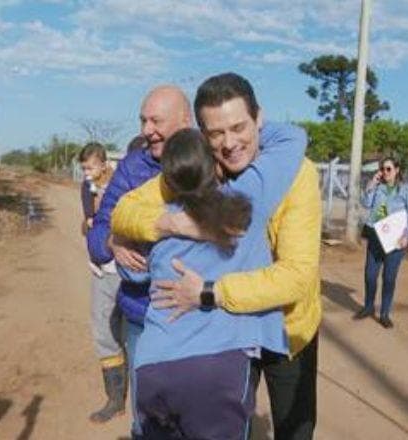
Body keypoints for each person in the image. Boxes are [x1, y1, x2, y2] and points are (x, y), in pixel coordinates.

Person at [111, 72, 322, 440]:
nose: (230, 143)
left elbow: (296, 276)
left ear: (260, 118)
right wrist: (174, 224)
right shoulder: (204, 170)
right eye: (216, 134)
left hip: (287, 331)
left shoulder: (292, 173)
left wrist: (210, 291)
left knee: (294, 430)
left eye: (239, 127)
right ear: (202, 136)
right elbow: (125, 210)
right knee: (231, 420)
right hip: (232, 335)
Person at [86, 85, 192, 431]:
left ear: (186, 120)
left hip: (196, 320)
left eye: (157, 120)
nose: (147, 130)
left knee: (193, 418)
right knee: (147, 421)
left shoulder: (212, 161)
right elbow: (98, 233)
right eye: (143, 120)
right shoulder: (133, 166)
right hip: (142, 318)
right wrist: (114, 242)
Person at [78, 142, 125, 423]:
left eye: (90, 167)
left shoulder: (122, 184)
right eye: (83, 168)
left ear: (105, 164)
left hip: (126, 269)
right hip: (102, 270)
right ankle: (116, 398)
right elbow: (86, 224)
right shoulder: (88, 189)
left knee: (132, 331)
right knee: (103, 329)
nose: (86, 173)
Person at [354, 156, 408, 329]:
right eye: (382, 169)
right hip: (376, 237)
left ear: (397, 170)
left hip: (395, 241)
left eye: (388, 169)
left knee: (389, 278)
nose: (385, 172)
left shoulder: (405, 190)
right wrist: (371, 185)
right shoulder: (378, 188)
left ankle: (384, 314)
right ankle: (368, 307)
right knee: (370, 275)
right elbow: (365, 203)